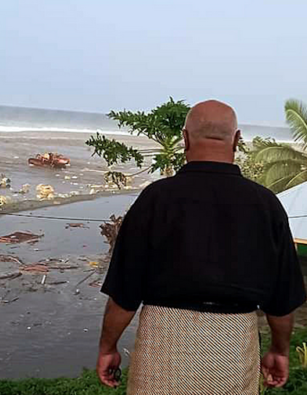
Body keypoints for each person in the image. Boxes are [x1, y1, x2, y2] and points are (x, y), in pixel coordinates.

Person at [97, 100, 306, 395]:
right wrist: (279, 350)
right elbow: (283, 298)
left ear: (184, 139)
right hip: (233, 348)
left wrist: (108, 347)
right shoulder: (266, 205)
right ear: (236, 140)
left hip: (162, 349)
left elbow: (124, 292)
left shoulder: (156, 198)